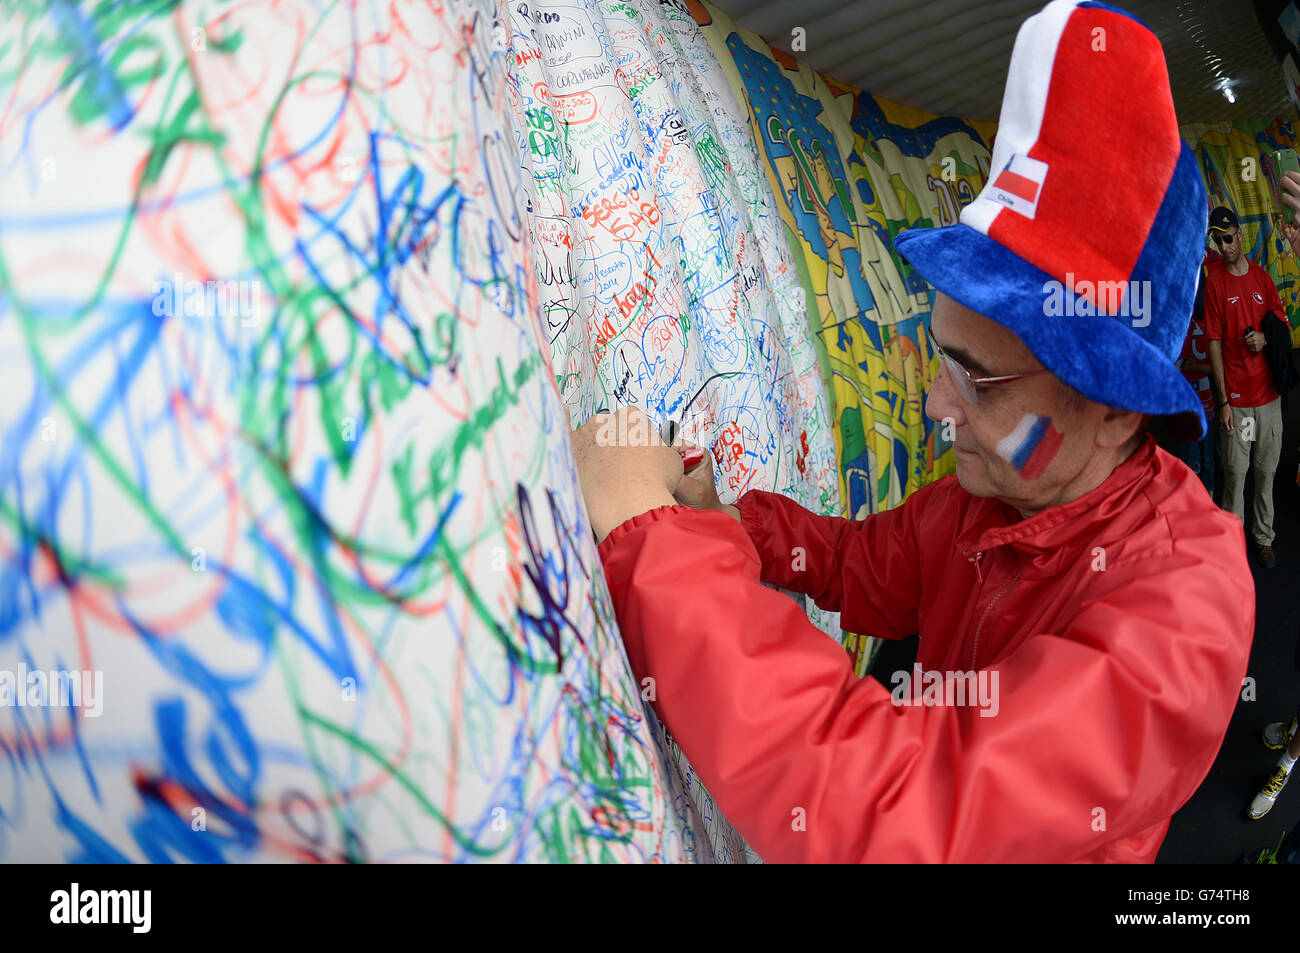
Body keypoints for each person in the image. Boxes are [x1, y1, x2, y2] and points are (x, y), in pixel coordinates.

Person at [570, 0, 1255, 862]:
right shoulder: (990, 497)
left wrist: (647, 533)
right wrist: (724, 523)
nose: (937, 404)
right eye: (945, 358)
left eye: (979, 377)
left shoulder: (1184, 608)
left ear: (1116, 405)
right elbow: (861, 563)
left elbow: (902, 813)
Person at [1203, 206, 1292, 569]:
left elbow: (1282, 327)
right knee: (1235, 477)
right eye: (1217, 240)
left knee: (1266, 473)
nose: (1223, 246)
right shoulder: (1215, 283)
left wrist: (1264, 340)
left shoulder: (1262, 278)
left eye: (1228, 237)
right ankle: (1231, 546)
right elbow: (1212, 343)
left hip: (1268, 398)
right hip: (1237, 402)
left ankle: (1263, 538)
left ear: (1239, 234)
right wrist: (1223, 400)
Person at [1171, 273, 1217, 497]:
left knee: (1206, 455)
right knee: (1189, 454)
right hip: (1185, 395)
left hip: (1205, 394)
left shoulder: (1209, 320)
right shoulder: (1176, 321)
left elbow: (1218, 364)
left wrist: (1198, 367)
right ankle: (1191, 498)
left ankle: (1206, 495)